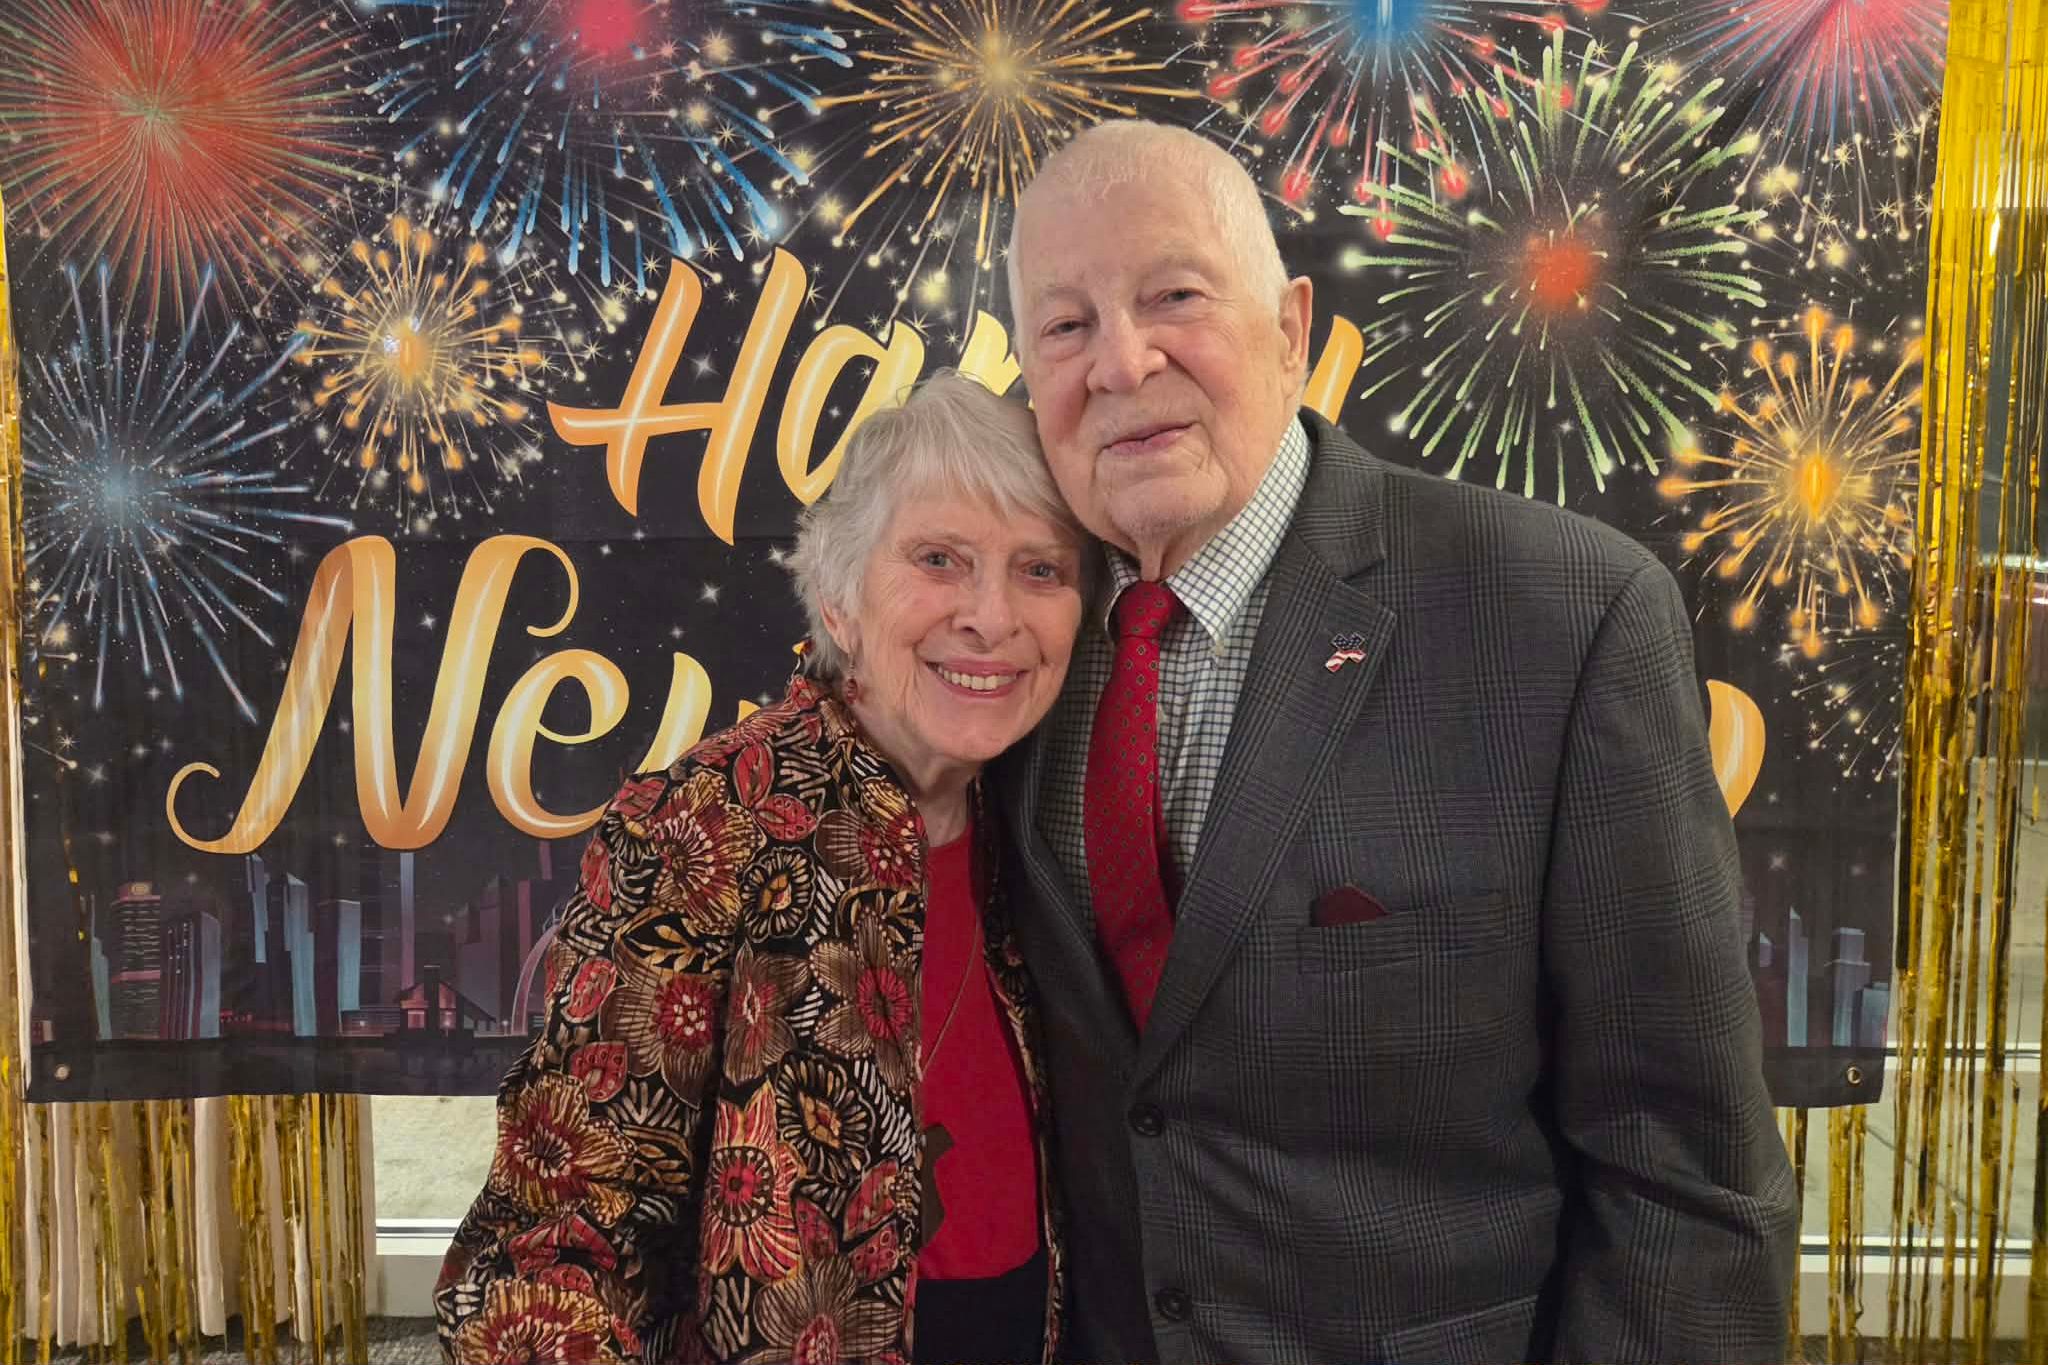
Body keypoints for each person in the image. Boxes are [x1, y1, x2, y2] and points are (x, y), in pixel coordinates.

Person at [996, 120, 1801, 1364]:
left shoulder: (1563, 617)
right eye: (1064, 326)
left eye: (1174, 295)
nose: (1120, 359)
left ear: (1290, 327)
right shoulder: (1003, 655)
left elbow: (1683, 1172)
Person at [434, 371, 1088, 1364]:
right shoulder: (706, 826)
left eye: (1040, 569)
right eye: (938, 559)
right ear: (837, 594)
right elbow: (552, 1245)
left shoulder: (1049, 824)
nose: (991, 618)